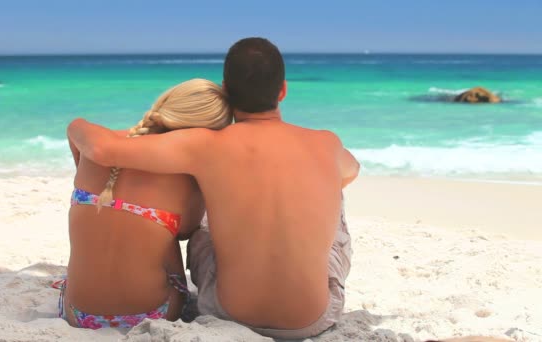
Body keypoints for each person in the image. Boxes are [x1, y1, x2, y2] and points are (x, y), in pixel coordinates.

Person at [67, 37, 359, 339]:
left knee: (206, 218)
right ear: (283, 90)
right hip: (309, 319)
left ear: (226, 90)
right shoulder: (328, 143)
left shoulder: (206, 145)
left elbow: (102, 150)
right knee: (333, 194)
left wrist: (76, 126)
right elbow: (351, 173)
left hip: (229, 314)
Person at [60, 78, 232, 329]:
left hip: (77, 312)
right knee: (171, 229)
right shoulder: (187, 174)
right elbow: (186, 231)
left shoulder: (98, 145)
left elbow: (73, 127)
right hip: (154, 312)